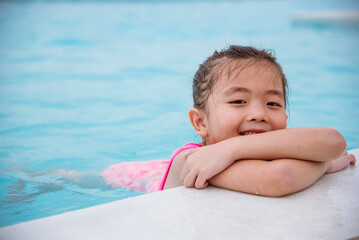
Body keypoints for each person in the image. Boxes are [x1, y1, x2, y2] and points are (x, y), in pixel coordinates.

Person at [159, 45, 356, 197]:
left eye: (273, 103)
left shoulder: (253, 142)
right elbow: (281, 178)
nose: (259, 114)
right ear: (200, 122)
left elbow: (335, 141)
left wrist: (231, 148)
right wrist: (326, 164)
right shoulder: (193, 159)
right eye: (238, 101)